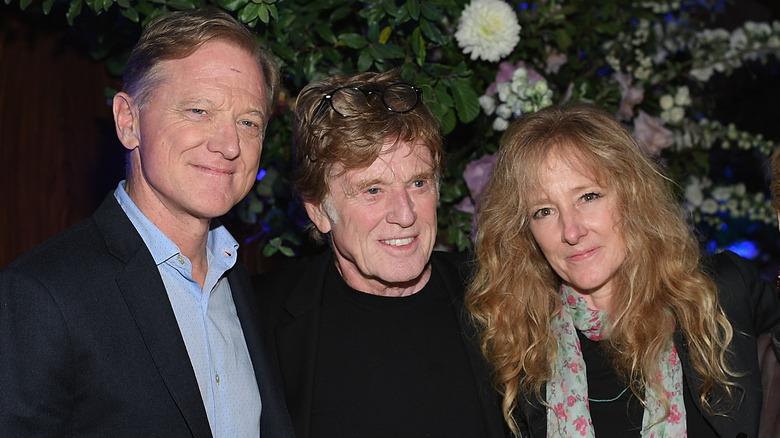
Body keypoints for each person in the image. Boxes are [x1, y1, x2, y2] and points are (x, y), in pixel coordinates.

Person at [0, 8, 294, 437]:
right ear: (128, 121)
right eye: (199, 110)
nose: (230, 145)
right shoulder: (41, 296)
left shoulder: (239, 282)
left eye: (249, 122)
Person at [466, 103, 780, 437]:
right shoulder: (517, 350)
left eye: (588, 197)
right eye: (544, 211)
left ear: (632, 195)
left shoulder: (720, 294)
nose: (571, 231)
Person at [253, 70, 505, 437]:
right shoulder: (258, 320)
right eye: (373, 190)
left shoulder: (499, 295)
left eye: (418, 183)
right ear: (318, 210)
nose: (405, 214)